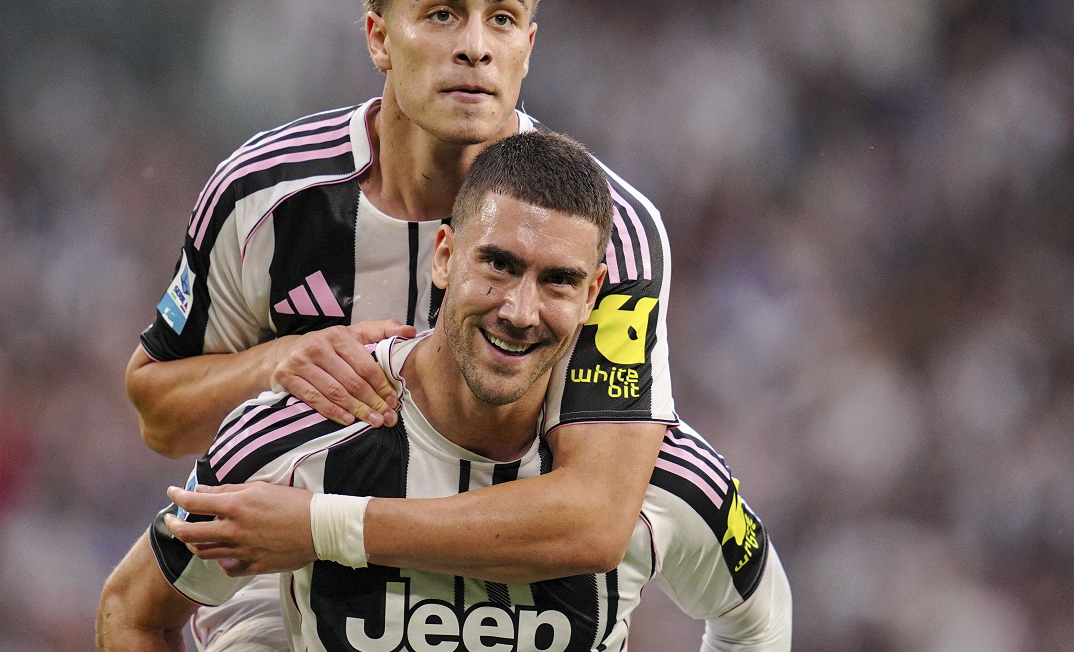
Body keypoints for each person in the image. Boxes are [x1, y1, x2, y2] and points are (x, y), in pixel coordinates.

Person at [124, 0, 675, 649]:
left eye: (503, 18)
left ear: (528, 47)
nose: (475, 45)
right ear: (380, 37)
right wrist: (278, 363)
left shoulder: (607, 229)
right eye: (442, 12)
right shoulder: (267, 196)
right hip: (280, 589)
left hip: (505, 594)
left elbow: (594, 517)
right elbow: (157, 411)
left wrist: (331, 527)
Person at [97, 132, 792, 652]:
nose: (520, 310)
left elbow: (758, 614)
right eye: (498, 264)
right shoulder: (301, 430)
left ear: (593, 296)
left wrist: (325, 528)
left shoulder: (658, 474)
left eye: (557, 281)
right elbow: (132, 609)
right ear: (445, 256)